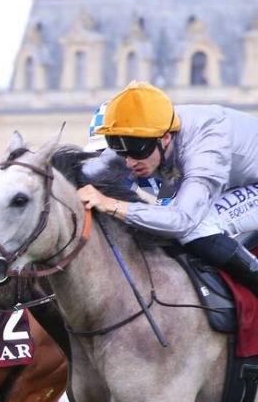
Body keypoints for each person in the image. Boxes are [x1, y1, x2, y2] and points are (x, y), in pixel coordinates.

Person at [78, 81, 258, 294]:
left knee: (196, 228)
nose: (128, 163)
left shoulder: (206, 148)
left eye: (136, 152)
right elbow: (89, 172)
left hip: (237, 180)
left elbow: (182, 221)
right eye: (121, 151)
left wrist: (112, 205)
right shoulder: (148, 133)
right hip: (235, 179)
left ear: (165, 138)